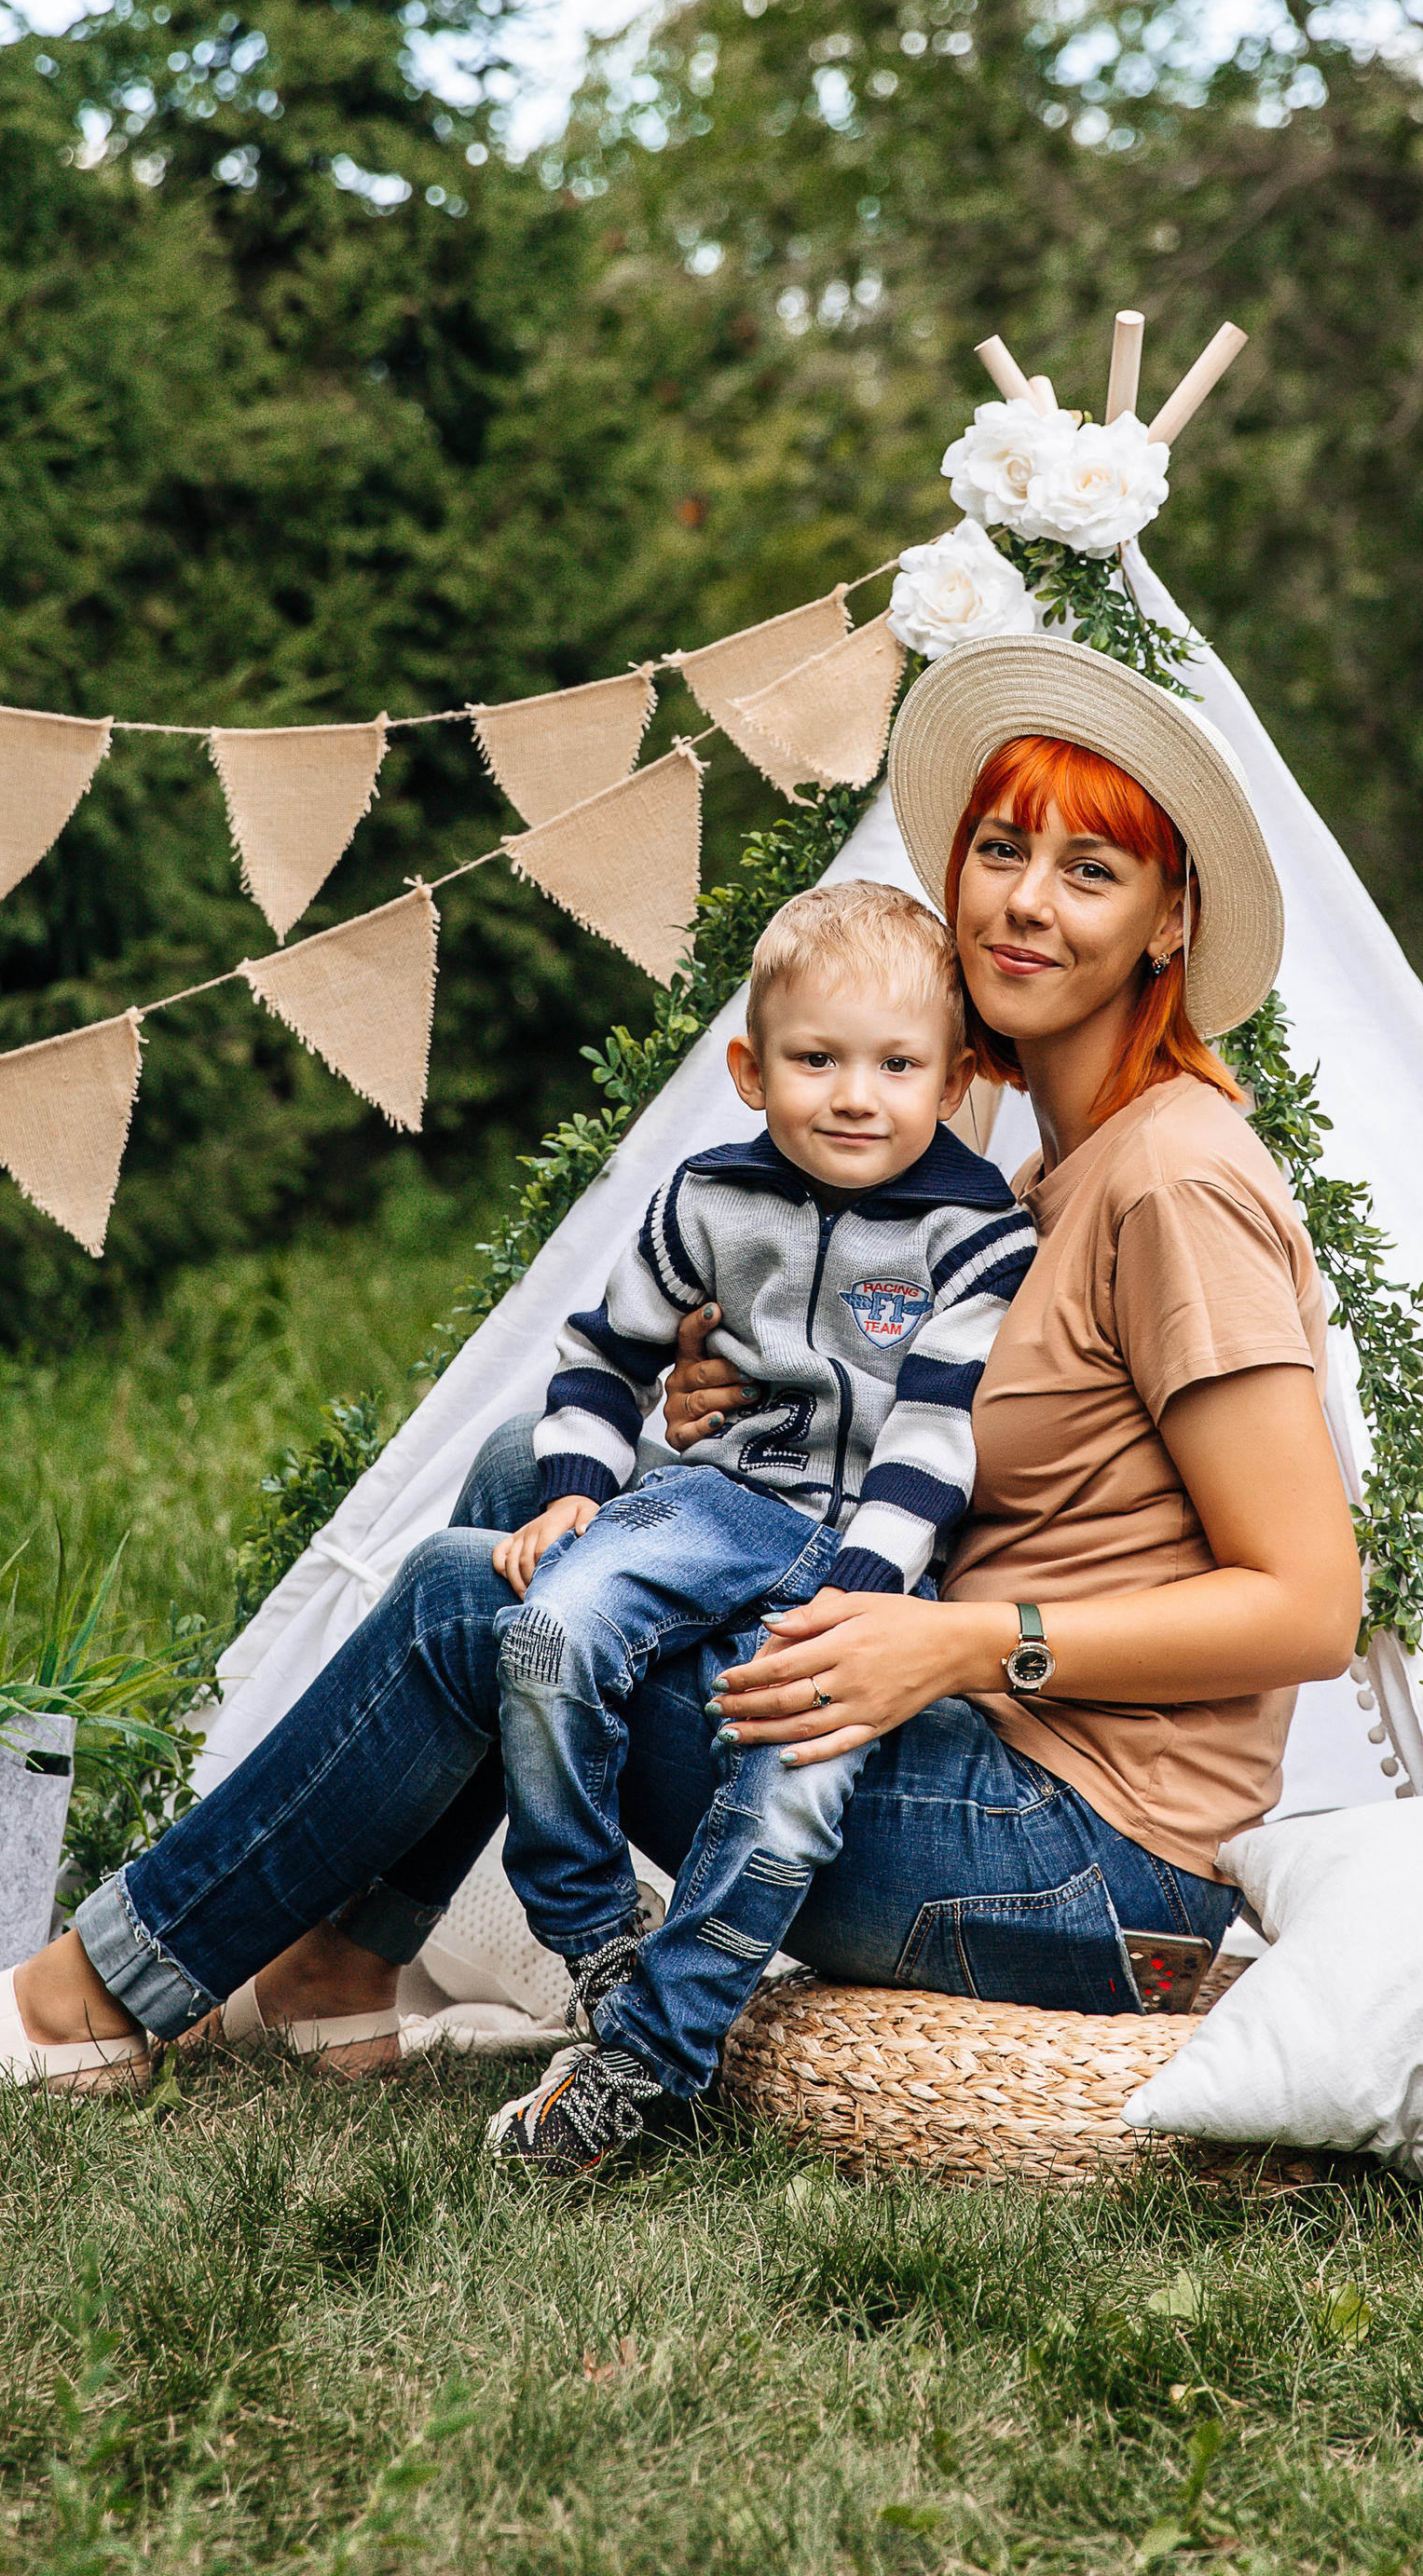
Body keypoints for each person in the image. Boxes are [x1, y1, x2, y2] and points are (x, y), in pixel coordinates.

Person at [0, 629, 1362, 2164]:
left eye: (1092, 871)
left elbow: (1307, 1606)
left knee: (462, 1605)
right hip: (980, 1762)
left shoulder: (1174, 1180)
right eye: (1004, 846)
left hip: (1081, 1866)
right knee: (524, 1480)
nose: (1026, 901)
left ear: (1170, 922)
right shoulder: (1034, 1171)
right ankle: (340, 1973)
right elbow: (957, 1460)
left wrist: (961, 1641)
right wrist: (727, 1417)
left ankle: (90, 2001)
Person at [483, 878, 1034, 2165]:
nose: (856, 1094)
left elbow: (933, 1436)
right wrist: (578, 1483)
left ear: (955, 1080)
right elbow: (601, 1350)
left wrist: (853, 1599)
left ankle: (655, 2062)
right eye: (816, 1060)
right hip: (719, 1502)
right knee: (545, 1631)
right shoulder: (706, 1198)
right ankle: (600, 1942)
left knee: (795, 1772)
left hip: (874, 1561)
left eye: (898, 1064)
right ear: (749, 1067)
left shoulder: (976, 1235)